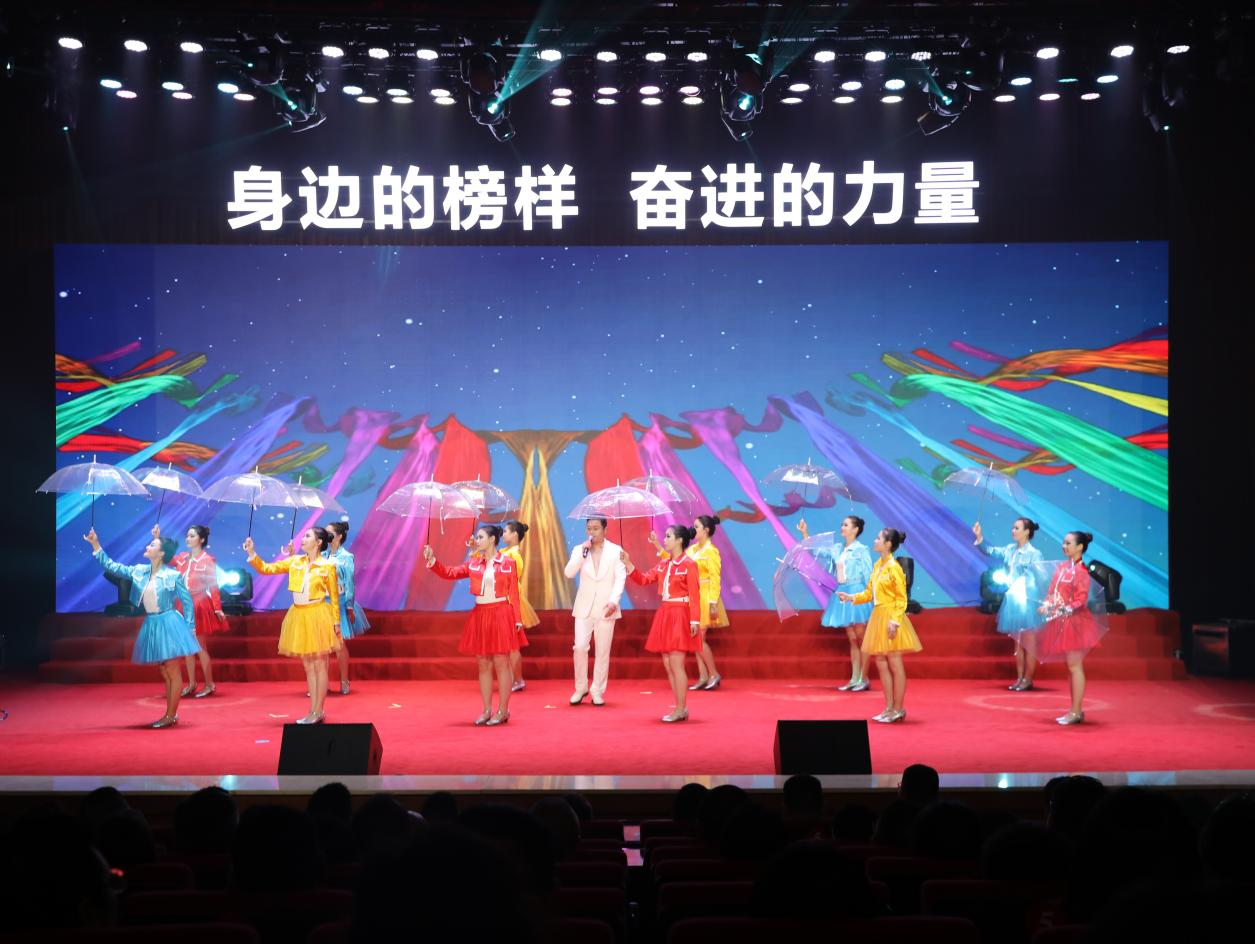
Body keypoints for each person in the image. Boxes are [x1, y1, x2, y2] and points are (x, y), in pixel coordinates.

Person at [84, 527, 198, 728]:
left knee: (172, 669)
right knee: (164, 670)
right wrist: (95, 544)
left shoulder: (173, 575)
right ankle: (171, 713)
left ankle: (170, 715)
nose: (147, 546)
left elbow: (187, 602)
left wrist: (190, 629)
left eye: (152, 545)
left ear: (161, 553)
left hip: (169, 623)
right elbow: (113, 567)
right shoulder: (139, 571)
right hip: (153, 623)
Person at [425, 524, 523, 726]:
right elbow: (449, 572)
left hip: (501, 613)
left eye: (480, 537)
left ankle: (503, 710)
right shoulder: (474, 563)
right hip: (480, 615)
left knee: (501, 662)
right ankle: (486, 710)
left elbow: (514, 593)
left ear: (492, 540)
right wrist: (432, 560)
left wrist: (517, 619)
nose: (476, 541)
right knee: (483, 663)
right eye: (477, 538)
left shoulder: (508, 563)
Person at [244, 527, 341, 725]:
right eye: (304, 536)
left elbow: (334, 596)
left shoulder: (327, 566)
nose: (302, 539)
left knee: (319, 664)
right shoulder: (295, 561)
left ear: (318, 542)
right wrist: (252, 553)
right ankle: (312, 710)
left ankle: (318, 710)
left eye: (307, 536)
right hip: (298, 614)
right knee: (308, 666)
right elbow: (267, 569)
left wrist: (336, 621)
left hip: (318, 615)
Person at [836, 527, 921, 723]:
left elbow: (901, 598)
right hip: (878, 615)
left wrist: (895, 621)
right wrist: (850, 597)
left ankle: (899, 709)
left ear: (888, 544)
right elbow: (869, 593)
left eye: (878, 538)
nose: (875, 541)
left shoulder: (894, 567)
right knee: (881, 663)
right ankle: (889, 708)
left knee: (894, 662)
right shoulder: (878, 566)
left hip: (891, 616)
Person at [621, 524, 702, 722]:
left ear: (679, 540)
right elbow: (643, 579)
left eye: (668, 537)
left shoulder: (689, 564)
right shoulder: (664, 564)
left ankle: (680, 709)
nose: (664, 540)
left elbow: (695, 594)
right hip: (665, 613)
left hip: (680, 615)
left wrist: (694, 620)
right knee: (668, 664)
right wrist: (628, 563)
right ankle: (680, 707)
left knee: (676, 663)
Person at [649, 514, 727, 691]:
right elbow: (674, 561)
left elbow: (715, 577)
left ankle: (713, 673)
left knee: (698, 638)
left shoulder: (711, 551)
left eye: (697, 526)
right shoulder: (692, 550)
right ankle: (703, 676)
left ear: (706, 530)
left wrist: (713, 602)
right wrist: (657, 545)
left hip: (705, 596)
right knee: (696, 639)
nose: (694, 529)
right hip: (692, 597)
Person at [1036, 530, 1104, 725]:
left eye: (1068, 543)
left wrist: (1064, 608)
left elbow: (1081, 599)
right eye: (1063, 543)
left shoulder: (1082, 571)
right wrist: (1047, 605)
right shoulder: (1061, 568)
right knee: (1071, 667)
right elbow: (1052, 593)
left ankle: (1075, 711)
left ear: (1080, 547)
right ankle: (1075, 710)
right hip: (1062, 620)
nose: (1064, 546)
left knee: (1075, 666)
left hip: (1076, 622)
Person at [798, 515, 873, 692]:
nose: (842, 527)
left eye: (846, 525)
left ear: (855, 529)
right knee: (852, 639)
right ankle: (854, 678)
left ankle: (864, 678)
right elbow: (816, 552)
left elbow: (869, 575)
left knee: (861, 638)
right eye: (842, 524)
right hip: (842, 593)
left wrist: (871, 597)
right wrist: (805, 533)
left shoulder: (861, 550)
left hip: (857, 592)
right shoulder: (838, 549)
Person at [155, 523, 228, 699]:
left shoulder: (207, 560)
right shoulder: (182, 558)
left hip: (199, 604)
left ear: (201, 540)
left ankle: (209, 684)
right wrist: (157, 538)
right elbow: (165, 558)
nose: (188, 538)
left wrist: (217, 608)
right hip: (183, 605)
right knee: (187, 647)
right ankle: (192, 684)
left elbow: (213, 586)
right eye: (187, 535)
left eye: (192, 536)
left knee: (200, 646)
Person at [973, 517, 1045, 691]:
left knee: (1029, 644)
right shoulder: (1009, 550)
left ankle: (1028, 679)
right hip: (1013, 599)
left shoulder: (1034, 554)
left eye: (1017, 528)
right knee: (1018, 643)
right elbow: (989, 551)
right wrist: (979, 537)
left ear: (1027, 531)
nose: (1013, 530)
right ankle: (1019, 678)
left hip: (1028, 600)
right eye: (1013, 527)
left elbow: (1040, 579)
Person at [563, 517, 626, 706]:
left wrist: (613, 601)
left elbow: (620, 578)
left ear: (605, 530)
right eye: (589, 528)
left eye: (596, 528)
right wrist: (582, 554)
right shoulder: (579, 549)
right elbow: (568, 573)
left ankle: (597, 690)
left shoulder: (616, 551)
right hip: (584, 606)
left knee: (602, 651)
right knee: (580, 647)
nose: (592, 532)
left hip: (607, 607)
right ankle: (580, 687)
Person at [327, 521, 370, 696]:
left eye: (329, 533)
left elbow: (350, 583)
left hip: (341, 602)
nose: (326, 535)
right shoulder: (322, 554)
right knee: (322, 646)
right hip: (323, 603)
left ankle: (344, 680)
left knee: (339, 644)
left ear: (338, 536)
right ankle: (322, 682)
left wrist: (350, 606)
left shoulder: (346, 557)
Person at [501, 520, 540, 692]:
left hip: (510, 602)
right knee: (506, 645)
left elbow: (511, 580)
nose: (503, 535)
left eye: (506, 531)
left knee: (512, 645)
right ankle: (512, 679)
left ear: (514, 534)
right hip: (503, 600)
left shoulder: (514, 556)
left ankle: (518, 679)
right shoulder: (504, 552)